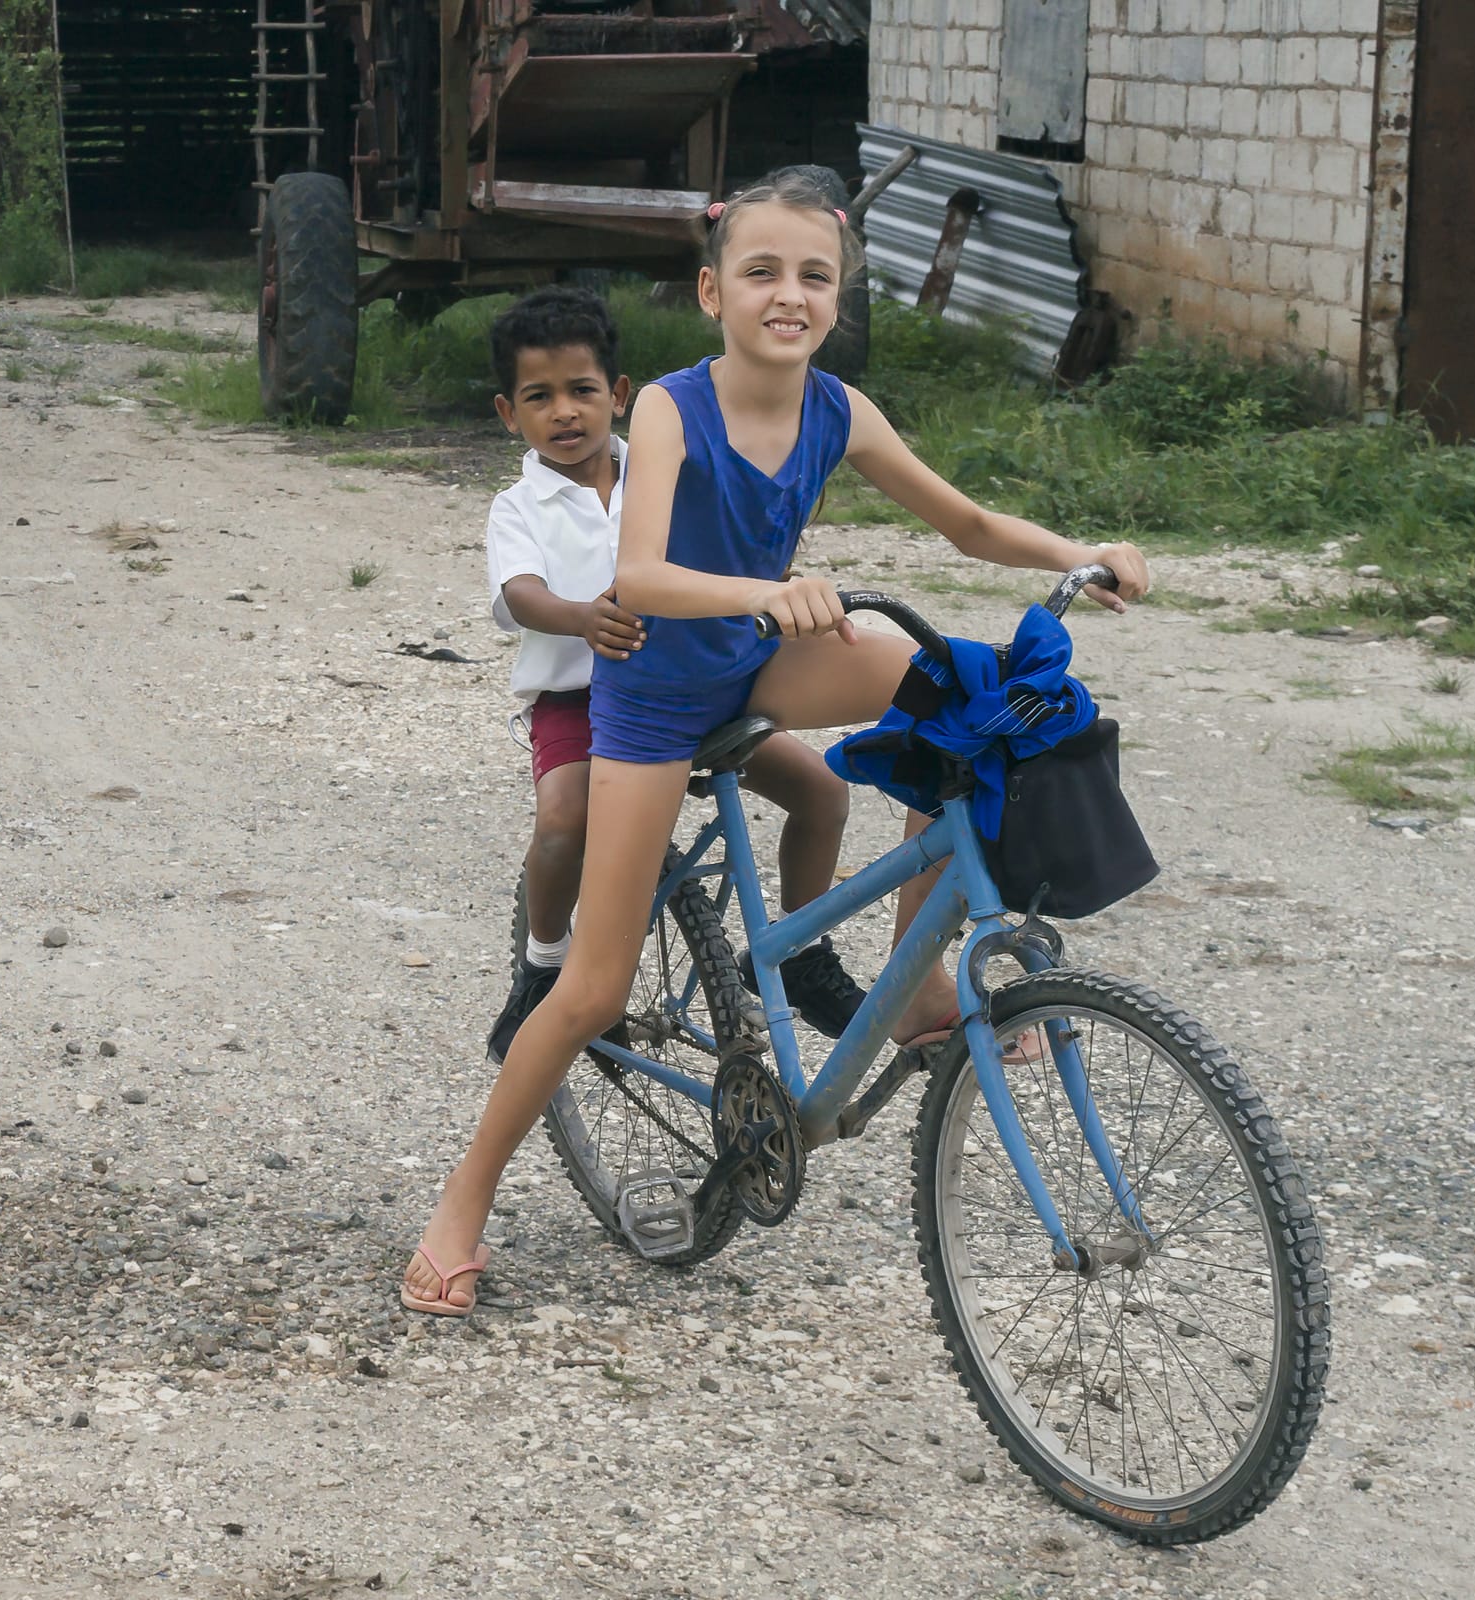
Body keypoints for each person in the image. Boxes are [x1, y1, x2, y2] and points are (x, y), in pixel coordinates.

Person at [402, 173, 1150, 1315]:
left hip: (755, 656)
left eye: (812, 276)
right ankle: (460, 1202)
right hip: (653, 696)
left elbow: (963, 521)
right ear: (711, 292)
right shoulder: (665, 407)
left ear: (838, 296)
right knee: (595, 983)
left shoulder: (838, 410)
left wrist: (1078, 548)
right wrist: (769, 590)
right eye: (760, 272)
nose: (786, 295)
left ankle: (915, 986)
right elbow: (638, 574)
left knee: (977, 699)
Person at [479, 285, 866, 1070]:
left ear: (618, 396)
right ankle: (543, 964)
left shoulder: (663, 464)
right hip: (579, 700)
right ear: (507, 414)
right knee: (562, 821)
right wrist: (580, 616)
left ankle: (798, 953)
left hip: (693, 685)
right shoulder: (520, 505)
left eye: (583, 391)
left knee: (823, 791)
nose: (565, 412)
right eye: (539, 398)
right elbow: (518, 593)